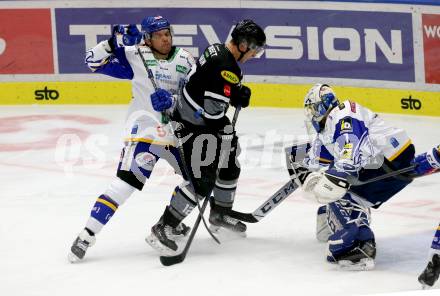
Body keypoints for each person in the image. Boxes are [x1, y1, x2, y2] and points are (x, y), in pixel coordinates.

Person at [68, 16, 195, 262]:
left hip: (176, 135)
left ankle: (171, 222)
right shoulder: (135, 55)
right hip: (145, 134)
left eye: (167, 33)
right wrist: (111, 44)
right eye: (158, 35)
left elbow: (194, 96)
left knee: (199, 180)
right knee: (124, 185)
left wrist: (174, 101)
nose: (165, 38)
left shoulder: (187, 60)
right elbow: (92, 61)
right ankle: (87, 234)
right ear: (147, 38)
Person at [145, 19, 266, 255]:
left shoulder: (219, 50)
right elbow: (213, 113)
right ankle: (164, 226)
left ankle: (220, 213)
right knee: (202, 180)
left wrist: (236, 94)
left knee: (230, 164)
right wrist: (227, 118)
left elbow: (209, 85)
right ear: (242, 45)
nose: (255, 54)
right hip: (192, 125)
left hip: (194, 115)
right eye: (254, 49)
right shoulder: (227, 68)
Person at [288, 83, 440, 270]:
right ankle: (335, 222)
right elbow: (319, 157)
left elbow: (349, 152)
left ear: (320, 106)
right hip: (390, 162)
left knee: (335, 187)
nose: (310, 114)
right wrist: (305, 168)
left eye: (312, 108)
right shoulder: (330, 125)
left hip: (386, 161)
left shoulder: (342, 113)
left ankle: (358, 243)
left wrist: (329, 177)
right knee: (340, 187)